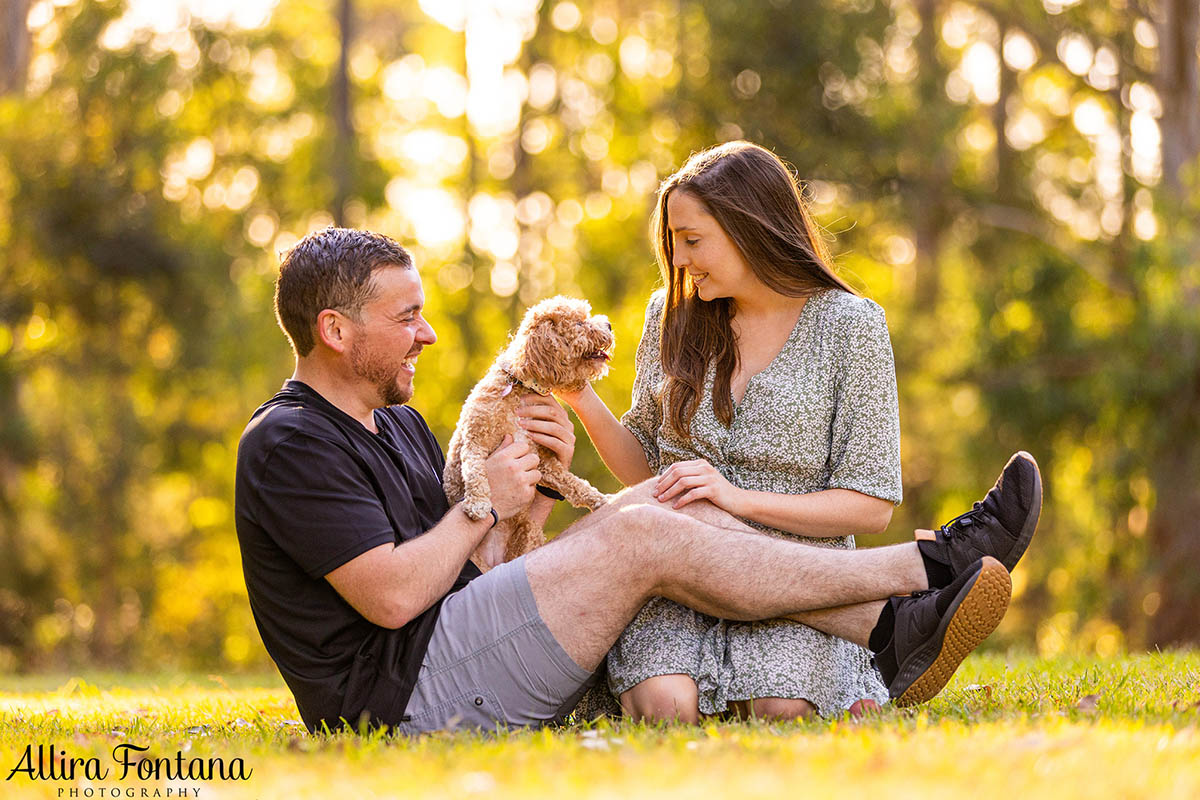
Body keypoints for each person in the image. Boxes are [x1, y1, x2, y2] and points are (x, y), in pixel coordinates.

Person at [233, 226, 1042, 735]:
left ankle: (890, 630)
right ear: (335, 331)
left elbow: (479, 575)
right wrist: (488, 505)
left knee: (667, 495)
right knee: (645, 530)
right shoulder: (288, 443)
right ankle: (923, 567)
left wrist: (540, 500)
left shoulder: (398, 421)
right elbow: (394, 598)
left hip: (461, 642)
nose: (429, 334)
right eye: (406, 317)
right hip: (401, 700)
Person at [555, 140, 895, 721]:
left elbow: (869, 507)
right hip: (674, 570)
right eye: (673, 243)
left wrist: (736, 499)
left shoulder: (851, 326)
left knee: (780, 708)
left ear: (749, 227)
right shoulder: (671, 317)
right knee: (665, 706)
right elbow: (647, 468)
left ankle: (861, 666)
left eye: (693, 240)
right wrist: (579, 398)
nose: (680, 259)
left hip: (793, 572)